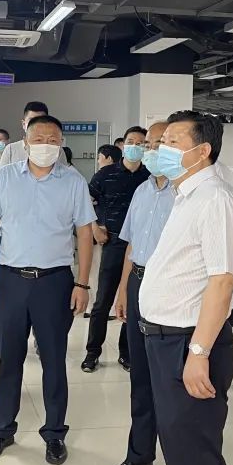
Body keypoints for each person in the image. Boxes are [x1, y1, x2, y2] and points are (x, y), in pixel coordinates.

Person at [137, 110, 233, 465]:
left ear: (202, 151)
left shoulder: (215, 198)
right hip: (166, 341)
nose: (161, 149)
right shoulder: (187, 195)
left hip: (189, 343)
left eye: (172, 142)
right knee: (181, 455)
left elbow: (223, 280)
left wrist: (198, 353)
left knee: (196, 460)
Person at [0, 114, 96, 465]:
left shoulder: (73, 181)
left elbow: (85, 233)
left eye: (53, 139)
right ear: (26, 142)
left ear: (61, 144)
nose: (46, 145)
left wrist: (82, 282)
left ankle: (55, 433)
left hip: (54, 283)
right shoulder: (6, 177)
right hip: (11, 279)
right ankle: (1, 430)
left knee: (54, 360)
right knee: (9, 359)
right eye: (39, 138)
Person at [107, 121, 175, 465]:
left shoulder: (187, 194)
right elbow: (131, 246)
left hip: (171, 288)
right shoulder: (143, 191)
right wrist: (123, 290)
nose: (150, 151)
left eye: (159, 143)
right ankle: (139, 456)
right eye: (148, 144)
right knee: (142, 378)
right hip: (138, 283)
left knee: (172, 384)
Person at [0, 103, 67, 361]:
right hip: (13, 234)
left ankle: (42, 339)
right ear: (24, 127)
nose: (45, 143)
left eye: (51, 138)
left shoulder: (62, 161)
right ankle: (3, 340)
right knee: (10, 320)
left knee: (47, 323)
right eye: (33, 124)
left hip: (48, 248)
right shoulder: (11, 153)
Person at [83, 126, 149, 373]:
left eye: (141, 143)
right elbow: (86, 201)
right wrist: (95, 226)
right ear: (123, 144)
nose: (135, 146)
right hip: (113, 241)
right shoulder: (105, 174)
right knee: (103, 301)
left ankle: (126, 352)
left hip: (140, 246)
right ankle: (92, 352)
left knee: (132, 300)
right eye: (131, 141)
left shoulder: (150, 176)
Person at [0, 101, 70, 168]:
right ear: (23, 124)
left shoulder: (56, 150)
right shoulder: (11, 149)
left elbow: (64, 174)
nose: (36, 125)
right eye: (32, 121)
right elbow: (3, 175)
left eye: (40, 120)